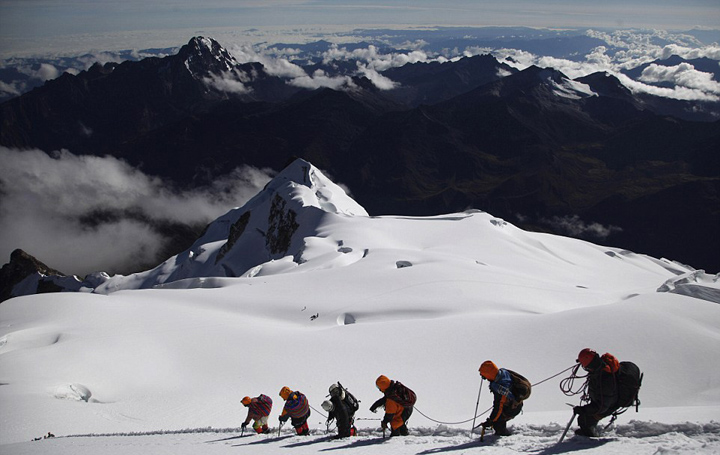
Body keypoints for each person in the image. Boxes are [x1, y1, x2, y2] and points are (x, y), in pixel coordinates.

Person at [573, 348, 620, 437]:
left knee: (584, 419)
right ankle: (589, 430)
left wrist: (583, 409)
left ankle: (590, 436)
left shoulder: (604, 377)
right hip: (607, 402)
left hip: (610, 404)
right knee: (584, 418)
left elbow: (602, 406)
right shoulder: (600, 370)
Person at [478, 360, 530, 436]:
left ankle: (504, 436)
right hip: (516, 403)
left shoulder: (499, 387)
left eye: (484, 376)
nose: (484, 378)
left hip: (513, 407)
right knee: (498, 418)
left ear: (488, 374)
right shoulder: (503, 373)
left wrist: (491, 420)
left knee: (497, 422)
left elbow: (498, 407)